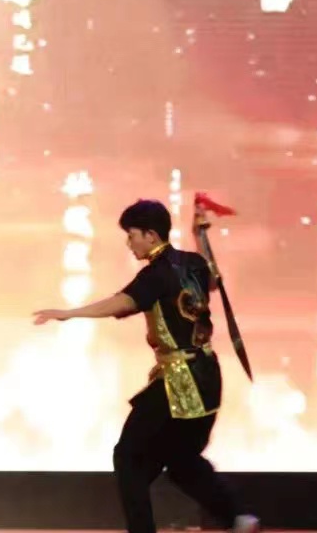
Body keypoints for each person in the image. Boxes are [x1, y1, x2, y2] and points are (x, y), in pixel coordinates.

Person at [32, 199, 259, 533]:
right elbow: (211, 280)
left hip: (179, 380)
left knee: (128, 457)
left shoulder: (156, 274)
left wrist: (69, 313)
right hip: (208, 375)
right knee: (181, 461)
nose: (129, 243)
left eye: (132, 235)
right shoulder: (193, 263)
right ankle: (238, 518)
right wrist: (199, 235)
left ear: (151, 235)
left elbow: (121, 303)